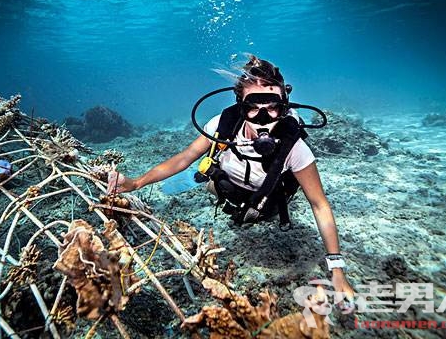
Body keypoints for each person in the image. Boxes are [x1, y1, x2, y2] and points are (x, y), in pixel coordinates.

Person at [108, 55, 354, 300]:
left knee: (264, 213)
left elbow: (319, 204)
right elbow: (185, 158)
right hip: (226, 188)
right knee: (208, 182)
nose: (262, 119)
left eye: (272, 108)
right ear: (240, 106)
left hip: (266, 202)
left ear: (284, 106)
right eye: (253, 108)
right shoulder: (222, 126)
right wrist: (136, 183)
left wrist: (337, 269)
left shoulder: (295, 149)